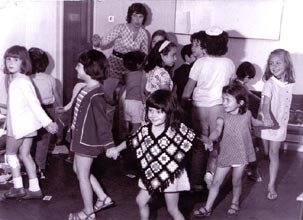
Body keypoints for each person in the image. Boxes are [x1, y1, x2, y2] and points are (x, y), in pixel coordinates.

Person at [107, 89, 196, 220]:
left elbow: (192, 138)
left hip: (169, 173)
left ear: (169, 112)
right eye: (151, 111)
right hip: (151, 172)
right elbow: (131, 140)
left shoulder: (175, 130)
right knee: (141, 201)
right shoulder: (145, 130)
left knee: (172, 209)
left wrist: (208, 140)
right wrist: (117, 149)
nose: (154, 115)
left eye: (159, 112)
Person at [193, 83, 265, 217]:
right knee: (216, 182)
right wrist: (211, 138)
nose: (223, 103)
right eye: (223, 99)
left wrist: (265, 123)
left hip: (241, 154)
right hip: (226, 153)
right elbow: (217, 130)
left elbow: (255, 122)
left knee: (236, 182)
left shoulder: (247, 114)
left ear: (240, 103)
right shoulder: (223, 116)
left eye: (227, 100)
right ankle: (207, 208)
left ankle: (235, 202)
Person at [182, 27, 235, 190]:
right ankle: (210, 176)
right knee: (216, 144)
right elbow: (231, 88)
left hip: (199, 107)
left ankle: (195, 183)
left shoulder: (200, 62)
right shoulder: (228, 63)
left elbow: (188, 89)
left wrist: (184, 106)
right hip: (218, 106)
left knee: (200, 144)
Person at [3, 45, 58, 200]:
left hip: (19, 126)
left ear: (24, 62)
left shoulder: (21, 81)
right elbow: (13, 103)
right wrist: (7, 120)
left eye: (15, 60)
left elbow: (34, 104)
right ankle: (34, 188)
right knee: (25, 155)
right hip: (26, 126)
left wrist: (48, 123)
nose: (11, 63)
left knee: (11, 154)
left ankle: (18, 187)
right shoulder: (18, 79)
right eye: (8, 59)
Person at [67, 50, 116, 220]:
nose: (75, 68)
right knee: (78, 170)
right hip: (80, 138)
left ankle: (88, 212)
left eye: (79, 66)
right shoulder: (87, 88)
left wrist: (109, 145)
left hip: (87, 141)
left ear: (90, 69)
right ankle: (102, 198)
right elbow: (78, 113)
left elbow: (103, 123)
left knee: (82, 175)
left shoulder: (96, 95)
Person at [258, 49, 295, 200]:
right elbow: (265, 104)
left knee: (273, 153)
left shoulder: (289, 84)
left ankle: (271, 184)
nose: (274, 66)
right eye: (271, 63)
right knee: (263, 152)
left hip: (280, 125)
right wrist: (266, 116)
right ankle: (253, 169)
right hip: (266, 122)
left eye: (278, 63)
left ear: (286, 64)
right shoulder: (269, 83)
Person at [92, 2, 149, 82]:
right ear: (130, 16)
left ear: (144, 18)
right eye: (134, 16)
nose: (137, 20)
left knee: (127, 92)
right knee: (109, 91)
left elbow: (144, 54)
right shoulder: (120, 28)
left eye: (140, 17)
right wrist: (97, 42)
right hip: (114, 64)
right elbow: (103, 42)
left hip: (131, 67)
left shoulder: (144, 33)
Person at [29, 47, 62, 179]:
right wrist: (60, 110)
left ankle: (29, 166)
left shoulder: (27, 79)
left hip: (31, 110)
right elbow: (57, 98)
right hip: (47, 110)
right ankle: (39, 168)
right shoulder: (51, 79)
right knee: (43, 141)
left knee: (30, 139)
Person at [234, 61, 262, 182]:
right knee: (253, 146)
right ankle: (253, 171)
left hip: (233, 120)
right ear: (246, 77)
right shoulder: (241, 88)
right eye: (250, 78)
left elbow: (248, 93)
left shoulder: (233, 83)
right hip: (242, 121)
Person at [123, 50, 146, 134]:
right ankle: (134, 144)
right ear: (138, 64)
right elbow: (143, 89)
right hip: (137, 103)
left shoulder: (126, 74)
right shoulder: (142, 74)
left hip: (126, 102)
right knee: (136, 128)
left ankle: (125, 142)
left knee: (127, 127)